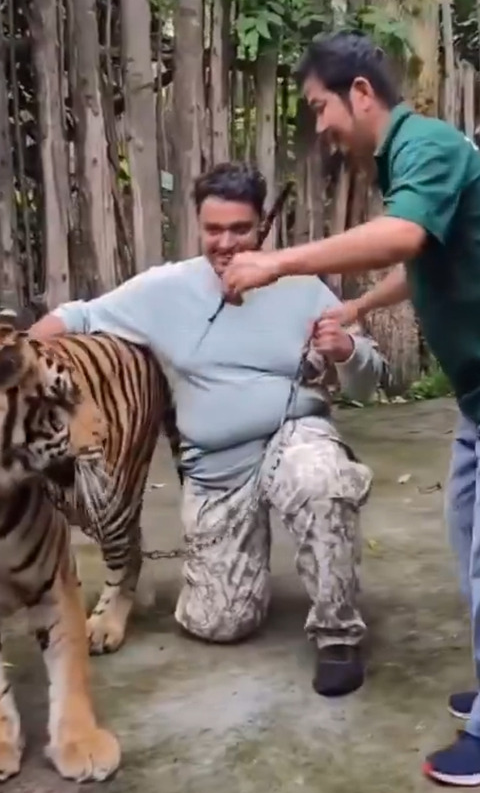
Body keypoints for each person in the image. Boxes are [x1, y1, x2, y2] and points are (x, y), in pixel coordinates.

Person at [221, 30, 480, 787]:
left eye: (321, 108)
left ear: (360, 94)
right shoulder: (409, 159)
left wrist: (277, 260)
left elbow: (403, 234)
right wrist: (362, 306)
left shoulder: (423, 143)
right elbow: (421, 254)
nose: (322, 126)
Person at [29, 162, 386, 698]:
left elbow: (370, 383)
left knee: (321, 477)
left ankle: (337, 634)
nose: (226, 243)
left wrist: (349, 351)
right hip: (217, 471)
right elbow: (76, 316)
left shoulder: (303, 286)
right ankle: (245, 560)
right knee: (218, 623)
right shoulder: (165, 290)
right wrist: (21, 360)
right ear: (198, 227)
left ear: (262, 227)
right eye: (214, 230)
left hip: (292, 436)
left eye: (240, 229)